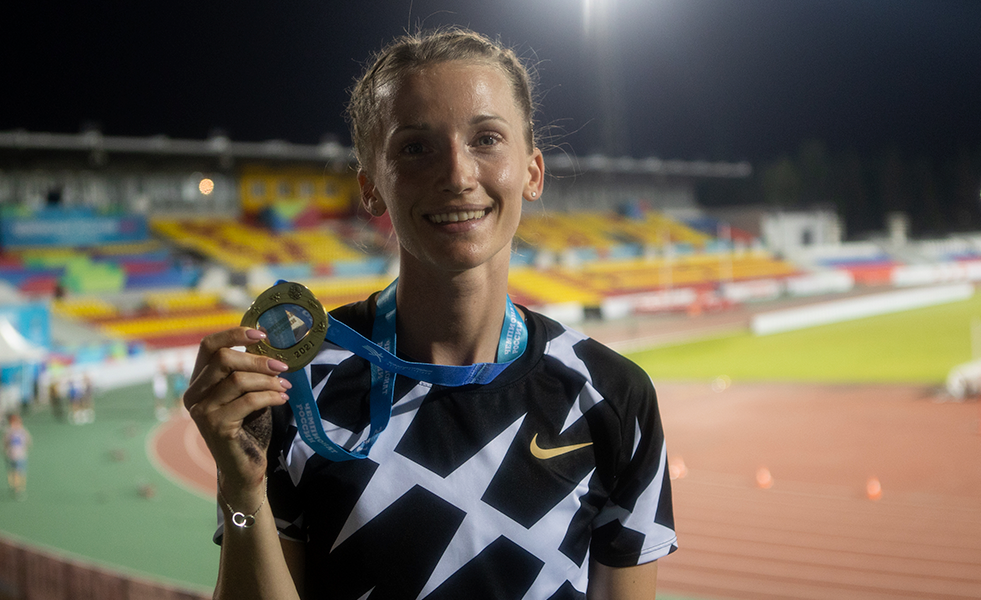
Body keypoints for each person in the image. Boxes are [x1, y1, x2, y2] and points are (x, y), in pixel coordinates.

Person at [184, 28, 675, 600]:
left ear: (533, 172)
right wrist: (241, 495)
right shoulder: (293, 387)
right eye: (416, 148)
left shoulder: (614, 396)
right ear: (371, 188)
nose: (458, 176)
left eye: (486, 139)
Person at [3, 413, 31, 499]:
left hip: (20, 455)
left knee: (19, 472)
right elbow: (5, 442)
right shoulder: (10, 431)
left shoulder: (20, 431)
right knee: (15, 472)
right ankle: (17, 489)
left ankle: (19, 488)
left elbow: (28, 441)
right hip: (13, 455)